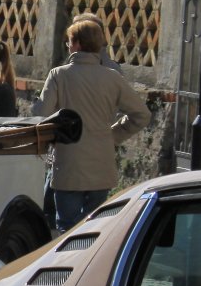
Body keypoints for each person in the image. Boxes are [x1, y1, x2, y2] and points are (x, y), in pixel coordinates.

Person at [37, 18, 150, 232]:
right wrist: (113, 135)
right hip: (101, 163)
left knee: (67, 228)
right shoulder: (112, 77)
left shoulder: (59, 75)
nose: (68, 46)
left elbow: (40, 115)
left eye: (69, 42)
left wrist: (54, 135)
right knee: (96, 227)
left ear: (77, 44)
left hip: (69, 162)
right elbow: (142, 114)